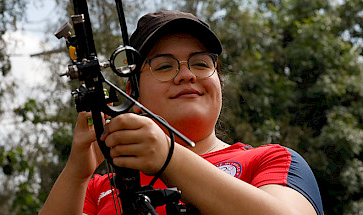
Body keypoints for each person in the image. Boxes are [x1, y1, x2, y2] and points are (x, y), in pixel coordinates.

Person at [39, 10, 323, 215]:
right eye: (164, 66)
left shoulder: (271, 160)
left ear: (218, 82)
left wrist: (169, 156)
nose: (186, 75)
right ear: (131, 94)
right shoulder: (97, 188)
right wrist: (77, 173)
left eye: (200, 64)